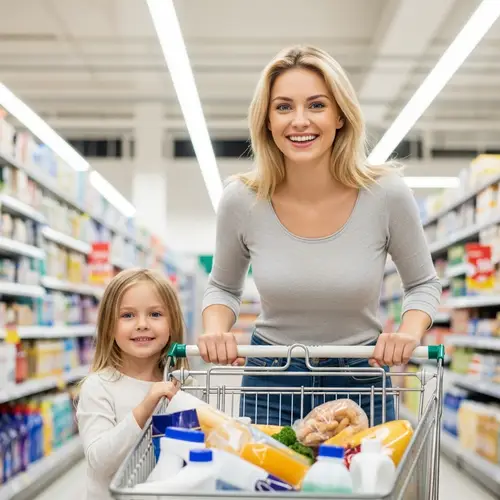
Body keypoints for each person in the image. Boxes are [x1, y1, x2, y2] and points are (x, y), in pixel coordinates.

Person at [199, 45, 441, 427]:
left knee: (364, 486)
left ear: (340, 115)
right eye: (283, 107)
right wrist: (215, 330)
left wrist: (408, 333)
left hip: (361, 377)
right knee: (272, 485)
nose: (299, 121)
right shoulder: (241, 199)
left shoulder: (386, 194)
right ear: (265, 120)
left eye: (316, 105)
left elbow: (423, 284)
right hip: (271, 383)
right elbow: (223, 288)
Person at [77, 268, 184, 500]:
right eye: (127, 315)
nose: (142, 324)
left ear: (173, 322)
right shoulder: (99, 386)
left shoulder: (181, 382)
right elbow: (98, 461)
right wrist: (145, 408)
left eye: (155, 314)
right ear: (108, 325)